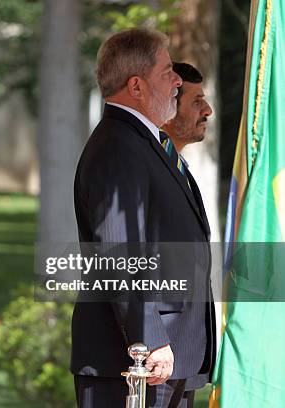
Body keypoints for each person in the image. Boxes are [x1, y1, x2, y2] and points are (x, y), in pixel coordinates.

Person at [71, 29, 215, 408]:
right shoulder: (118, 147)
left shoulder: (142, 143)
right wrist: (150, 338)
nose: (177, 81)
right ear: (136, 86)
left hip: (167, 355)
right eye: (167, 71)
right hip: (137, 360)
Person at [162, 62, 213, 152]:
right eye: (196, 102)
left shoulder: (168, 162)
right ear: (167, 110)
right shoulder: (145, 161)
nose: (208, 111)